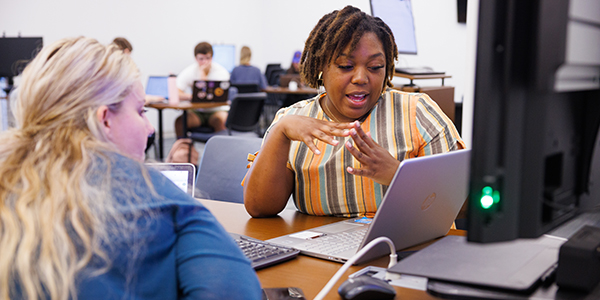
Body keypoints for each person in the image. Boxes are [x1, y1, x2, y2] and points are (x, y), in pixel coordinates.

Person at [0, 37, 261, 299]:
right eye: (140, 112)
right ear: (104, 120)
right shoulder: (159, 200)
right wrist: (158, 181)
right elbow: (236, 291)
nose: (150, 128)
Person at [243, 6, 465, 218]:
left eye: (375, 67)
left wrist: (398, 174)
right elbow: (260, 208)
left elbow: (461, 202)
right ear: (321, 67)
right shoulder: (292, 122)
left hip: (406, 250)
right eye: (346, 66)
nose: (361, 78)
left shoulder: (417, 113)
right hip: (323, 252)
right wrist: (280, 132)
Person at [174, 42, 230, 138]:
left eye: (208, 58)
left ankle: (219, 150)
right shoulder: (190, 71)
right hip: (197, 112)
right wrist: (192, 96)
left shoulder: (221, 72)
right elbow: (176, 92)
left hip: (216, 110)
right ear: (196, 58)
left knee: (221, 121)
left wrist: (203, 74)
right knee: (180, 122)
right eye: (201, 59)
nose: (204, 62)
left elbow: (207, 92)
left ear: (212, 57)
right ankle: (184, 150)